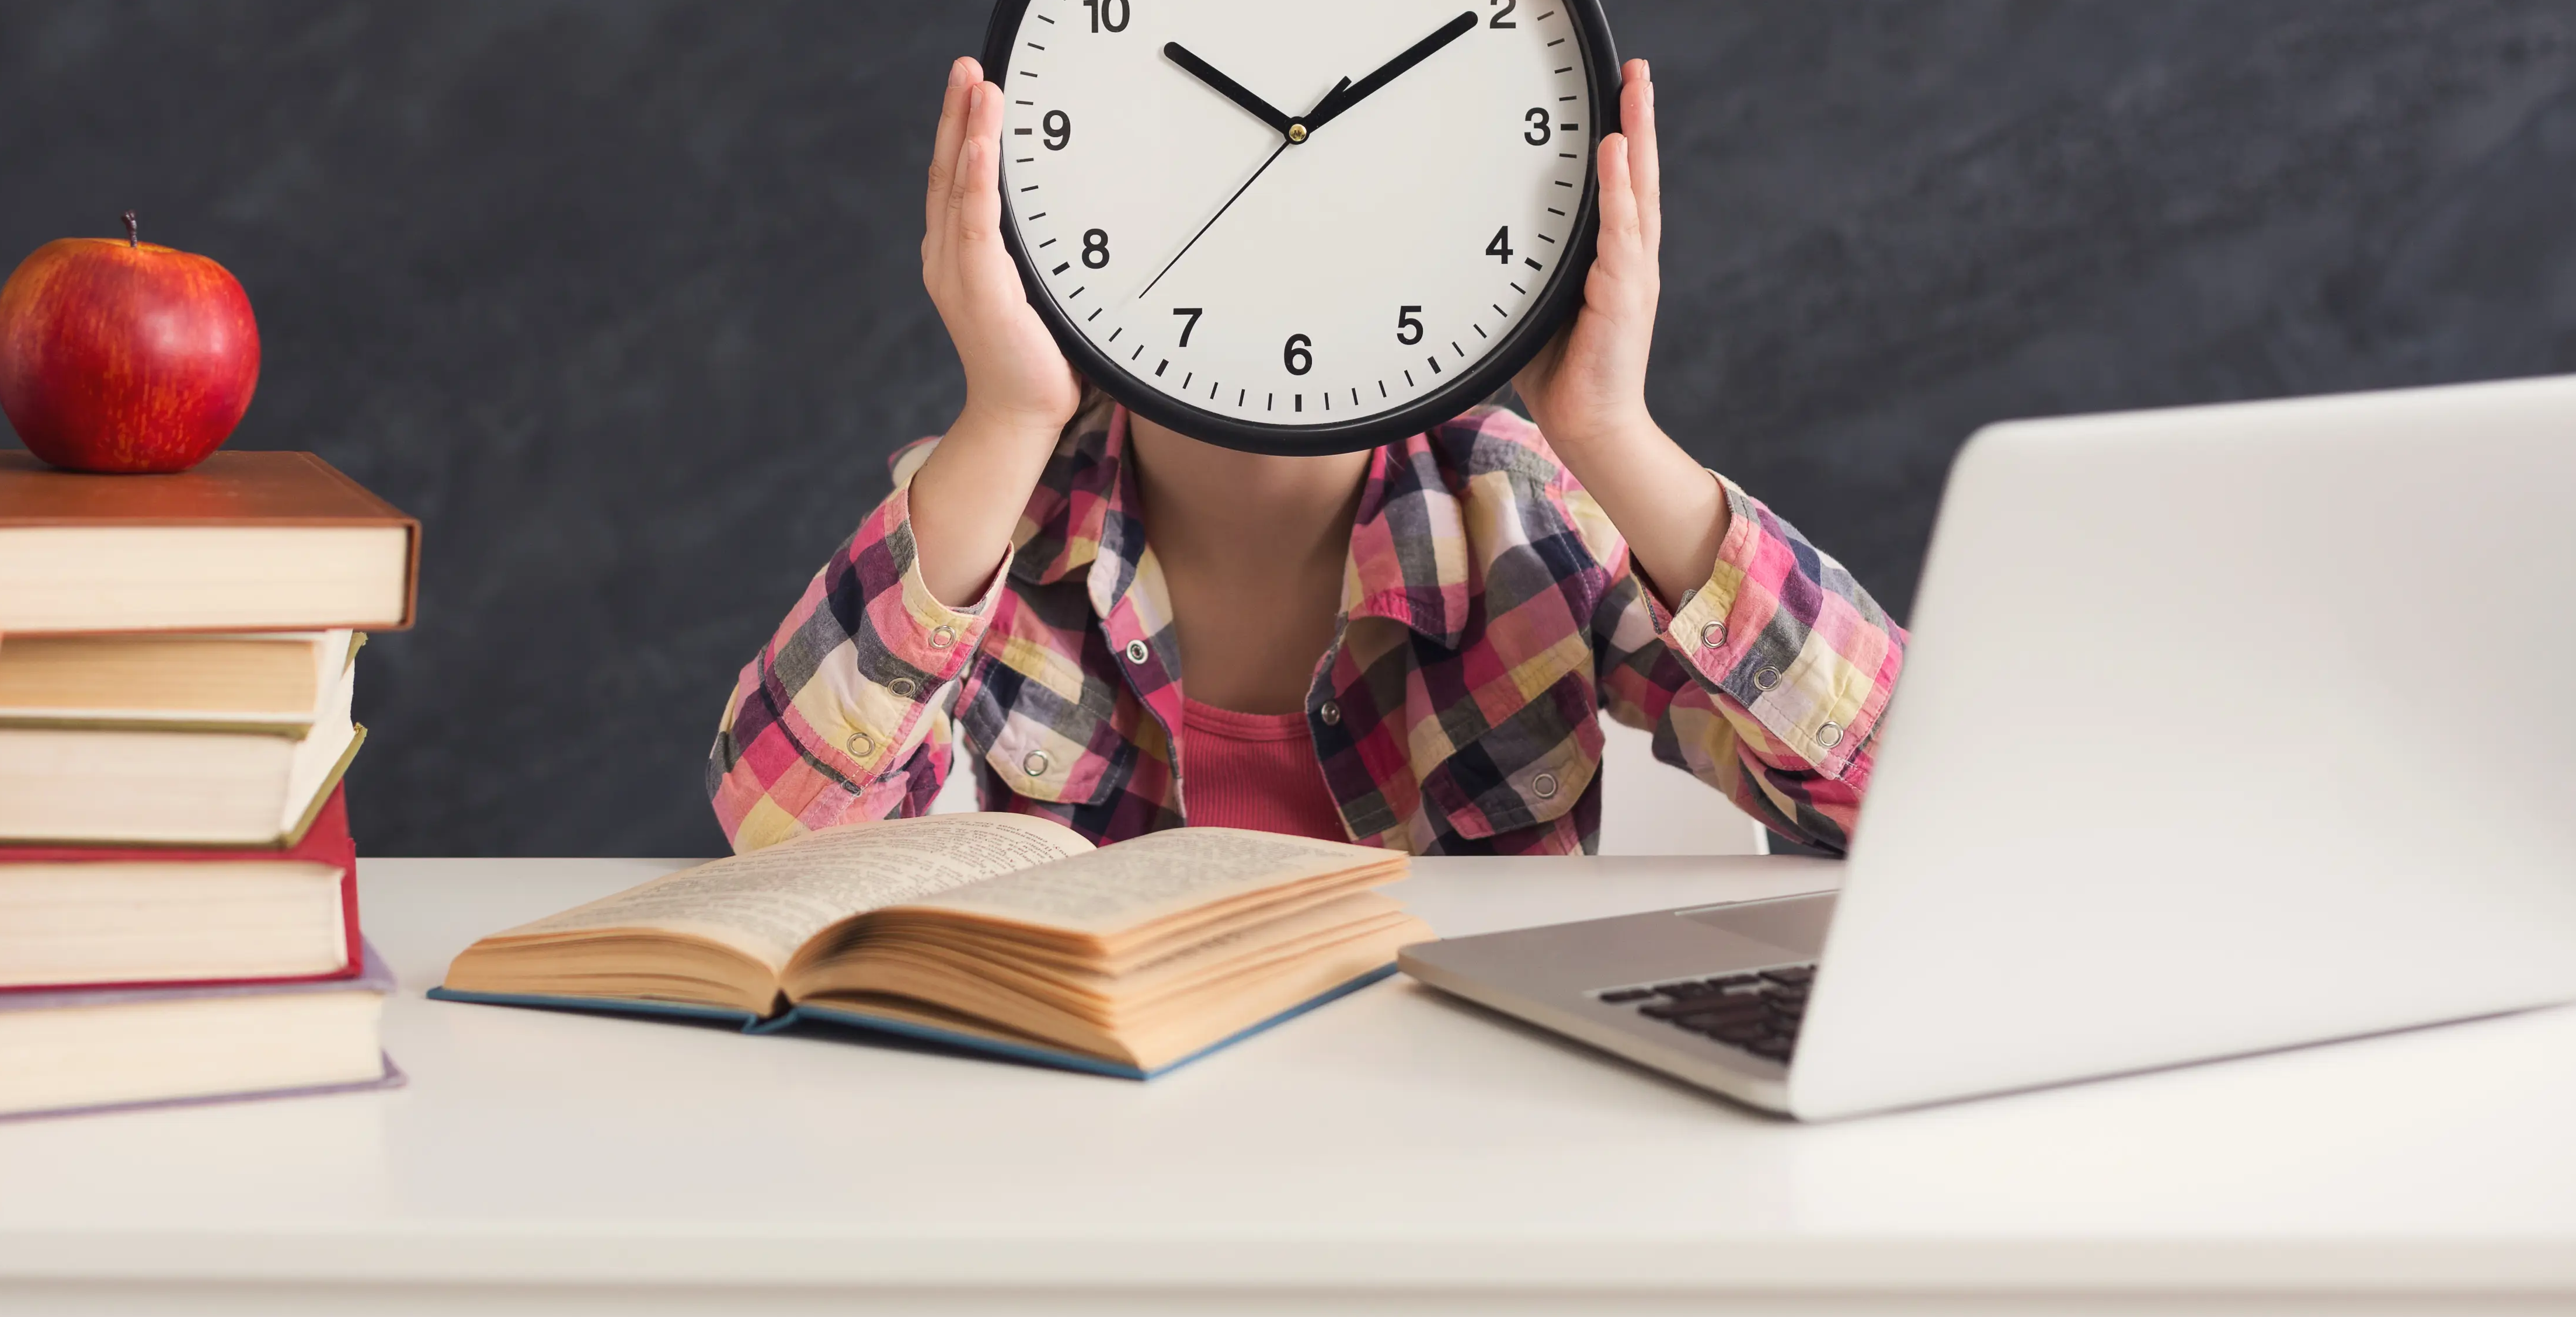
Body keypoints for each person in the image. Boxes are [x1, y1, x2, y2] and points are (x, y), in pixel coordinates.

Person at [710, 54, 1903, 856]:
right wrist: (1009, 416)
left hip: (1460, 1160)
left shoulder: (1525, 517)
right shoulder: (1002, 528)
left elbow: (1922, 805)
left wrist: (1610, 434)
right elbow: (780, 832)